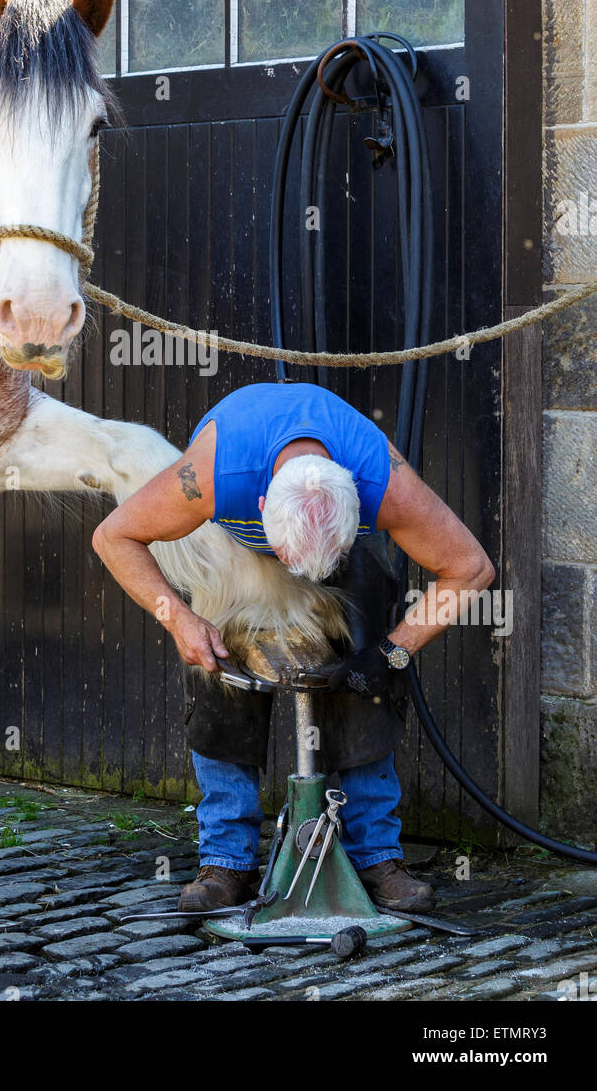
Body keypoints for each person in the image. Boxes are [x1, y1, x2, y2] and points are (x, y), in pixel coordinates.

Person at [92, 382, 494, 914]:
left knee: (366, 667)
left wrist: (393, 652)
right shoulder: (212, 477)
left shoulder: (384, 482)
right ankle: (226, 860)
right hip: (236, 543)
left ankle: (375, 854)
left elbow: (470, 568)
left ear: (361, 504)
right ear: (261, 505)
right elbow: (113, 537)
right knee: (221, 674)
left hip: (333, 543)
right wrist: (179, 620)